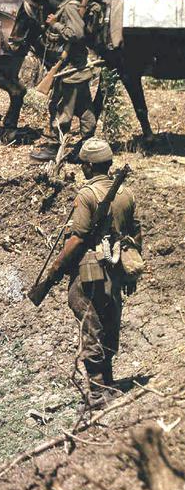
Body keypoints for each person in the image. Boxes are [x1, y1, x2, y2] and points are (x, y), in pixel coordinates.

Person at [33, 137, 142, 407]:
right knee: (108, 322)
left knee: (90, 325)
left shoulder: (87, 195)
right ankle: (108, 383)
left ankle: (96, 392)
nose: (82, 169)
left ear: (89, 167)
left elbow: (78, 239)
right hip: (115, 269)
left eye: (84, 165)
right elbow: (135, 234)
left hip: (89, 272)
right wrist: (130, 273)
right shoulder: (126, 194)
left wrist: (55, 270)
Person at [31, 0, 99, 162]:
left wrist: (55, 24)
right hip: (75, 69)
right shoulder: (67, 5)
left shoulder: (69, 7)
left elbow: (77, 34)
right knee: (85, 109)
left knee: (61, 109)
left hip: (70, 70)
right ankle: (89, 146)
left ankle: (55, 146)